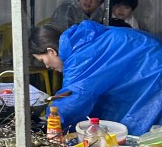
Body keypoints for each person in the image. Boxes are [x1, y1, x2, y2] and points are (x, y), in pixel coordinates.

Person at [29, 22, 162, 135]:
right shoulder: (80, 42)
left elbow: (74, 98)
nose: (46, 66)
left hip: (154, 71)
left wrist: (50, 122)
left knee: (144, 133)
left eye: (42, 60)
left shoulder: (79, 57)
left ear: (51, 51)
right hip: (150, 60)